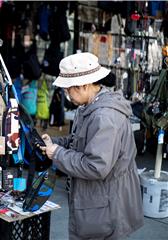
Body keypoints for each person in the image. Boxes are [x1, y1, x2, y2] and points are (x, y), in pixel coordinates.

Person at [41, 52, 144, 240]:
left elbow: (95, 166)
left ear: (84, 85)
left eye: (68, 89)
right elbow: (79, 142)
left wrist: (57, 153)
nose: (66, 94)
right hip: (99, 202)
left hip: (107, 207)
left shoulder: (104, 117)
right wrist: (54, 144)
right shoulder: (88, 108)